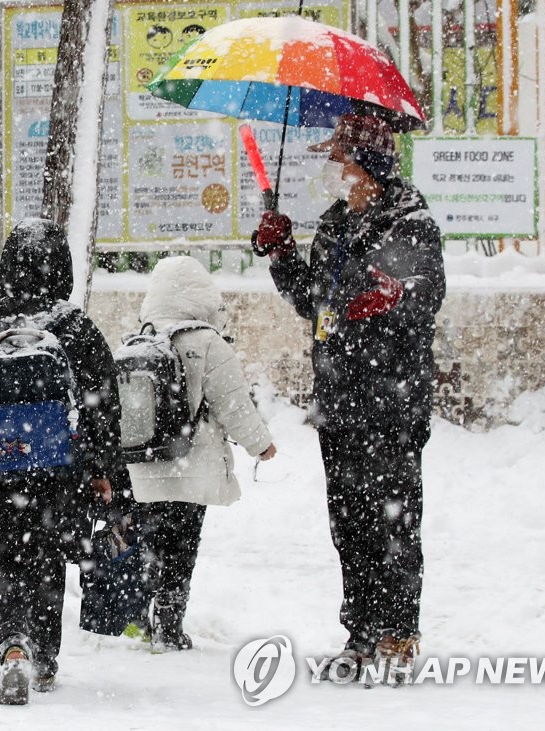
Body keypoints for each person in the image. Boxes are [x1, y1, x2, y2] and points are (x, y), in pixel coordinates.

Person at [252, 114, 446, 684]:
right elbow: (315, 304)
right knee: (350, 521)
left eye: (343, 159)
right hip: (340, 400)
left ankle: (398, 632)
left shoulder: (411, 222)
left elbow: (424, 297)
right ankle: (360, 630)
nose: (335, 170)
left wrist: (388, 299)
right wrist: (283, 253)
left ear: (371, 166)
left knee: (395, 518)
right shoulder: (335, 226)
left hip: (392, 399)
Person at [0, 218, 125, 704]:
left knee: (5, 554)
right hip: (59, 472)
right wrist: (99, 466)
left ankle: (13, 646)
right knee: (47, 556)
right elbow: (104, 403)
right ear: (62, 269)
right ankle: (44, 658)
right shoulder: (74, 328)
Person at [126, 255, 277, 653]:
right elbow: (234, 405)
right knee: (182, 545)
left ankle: (140, 618)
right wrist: (261, 444)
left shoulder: (136, 340)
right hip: (192, 468)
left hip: (145, 468)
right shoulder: (209, 343)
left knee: (148, 543)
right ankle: (170, 625)